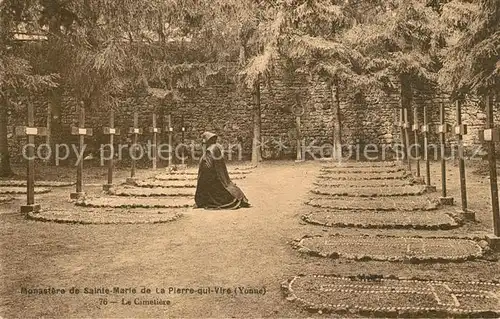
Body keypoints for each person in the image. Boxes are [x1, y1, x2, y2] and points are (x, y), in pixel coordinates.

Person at [195, 132, 250, 209]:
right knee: (227, 186)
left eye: (204, 142)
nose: (203, 144)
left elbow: (208, 166)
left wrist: (203, 165)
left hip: (214, 179)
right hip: (220, 176)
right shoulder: (216, 148)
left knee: (209, 188)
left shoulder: (209, 151)